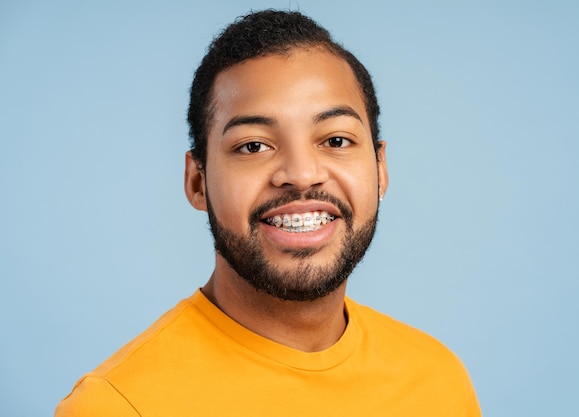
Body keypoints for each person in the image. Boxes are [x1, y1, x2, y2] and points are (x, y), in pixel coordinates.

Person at [55, 9, 481, 416]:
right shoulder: (115, 406)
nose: (300, 174)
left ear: (380, 168)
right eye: (253, 146)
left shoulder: (438, 379)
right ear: (198, 182)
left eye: (335, 140)